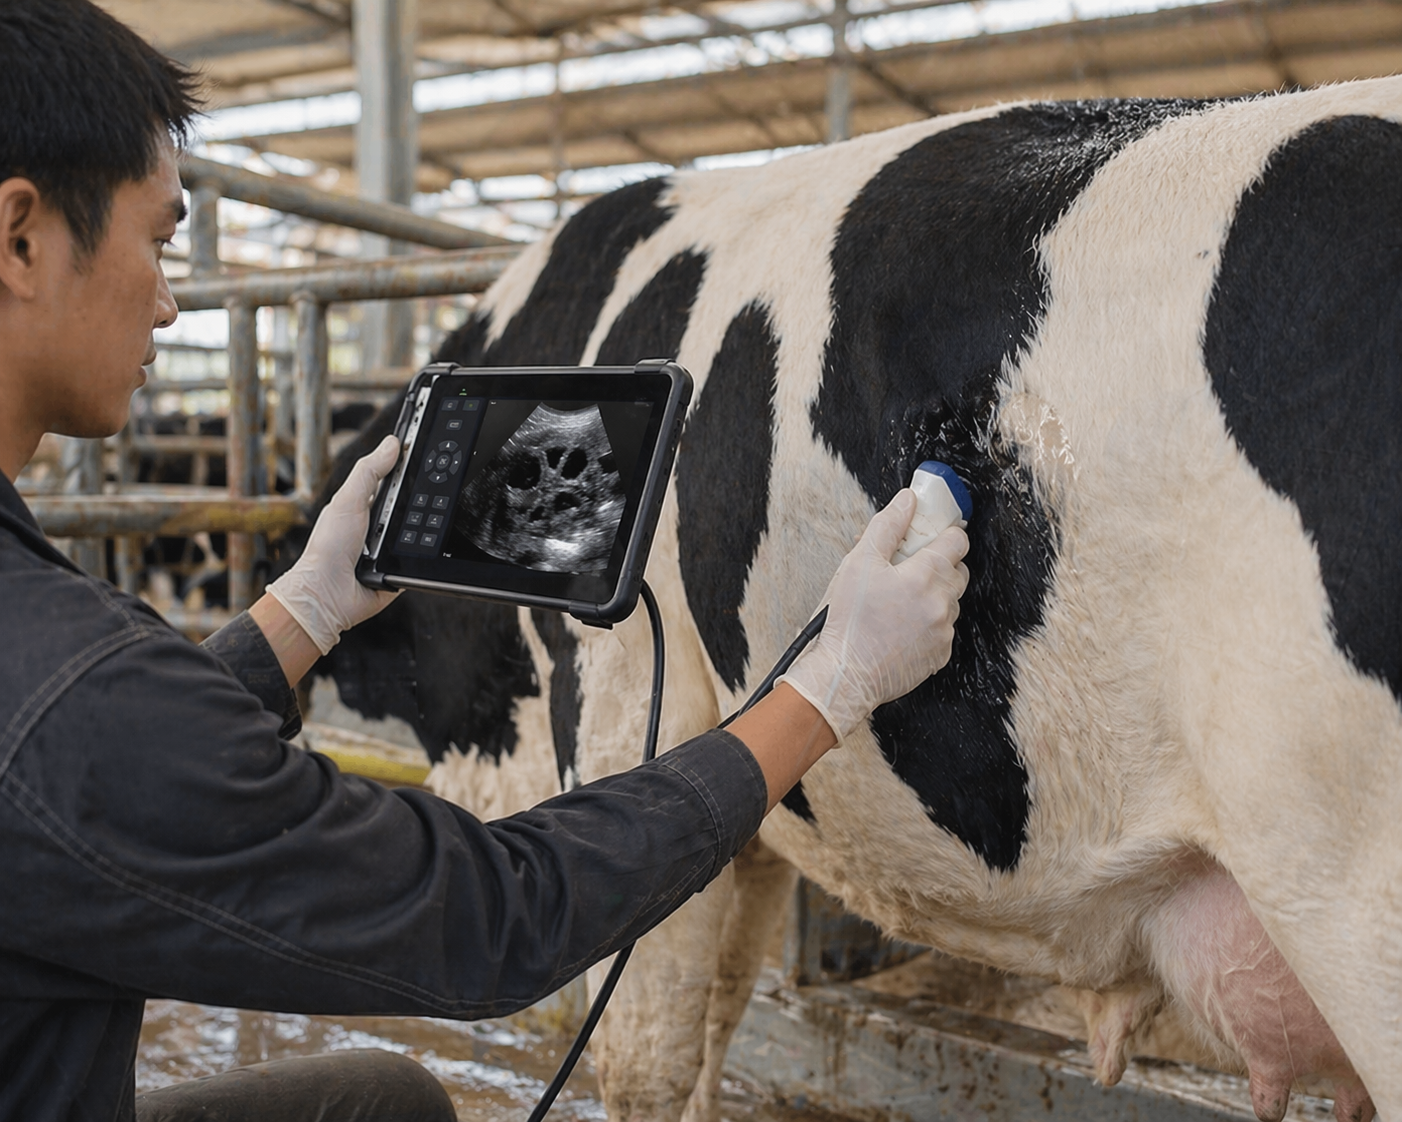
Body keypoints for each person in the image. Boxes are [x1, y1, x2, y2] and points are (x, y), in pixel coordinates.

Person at [0, 2, 971, 1119]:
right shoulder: (69, 691)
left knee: (373, 1100)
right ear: (22, 237)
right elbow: (494, 917)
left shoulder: (57, 686)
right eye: (162, 240)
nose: (173, 301)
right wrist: (827, 682)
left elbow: (86, 767)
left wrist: (305, 610)